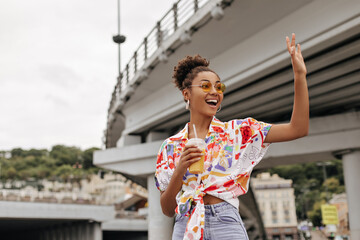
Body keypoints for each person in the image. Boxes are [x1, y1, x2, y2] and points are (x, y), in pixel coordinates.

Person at [155, 33, 308, 240]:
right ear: (186, 94)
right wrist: (180, 169)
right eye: (205, 86)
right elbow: (167, 209)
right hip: (186, 222)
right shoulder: (170, 146)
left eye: (219, 87)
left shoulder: (238, 132)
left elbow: (297, 129)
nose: (215, 92)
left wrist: (300, 76)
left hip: (225, 222)